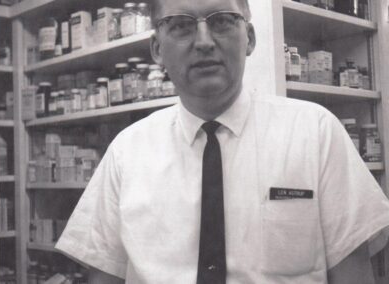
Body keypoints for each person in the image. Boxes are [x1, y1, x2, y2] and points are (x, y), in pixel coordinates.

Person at [56, 0, 389, 283]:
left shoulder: (315, 132)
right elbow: (103, 274)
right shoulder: (126, 152)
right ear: (157, 48)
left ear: (250, 38)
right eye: (181, 26)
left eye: (223, 21)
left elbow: (354, 273)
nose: (203, 41)